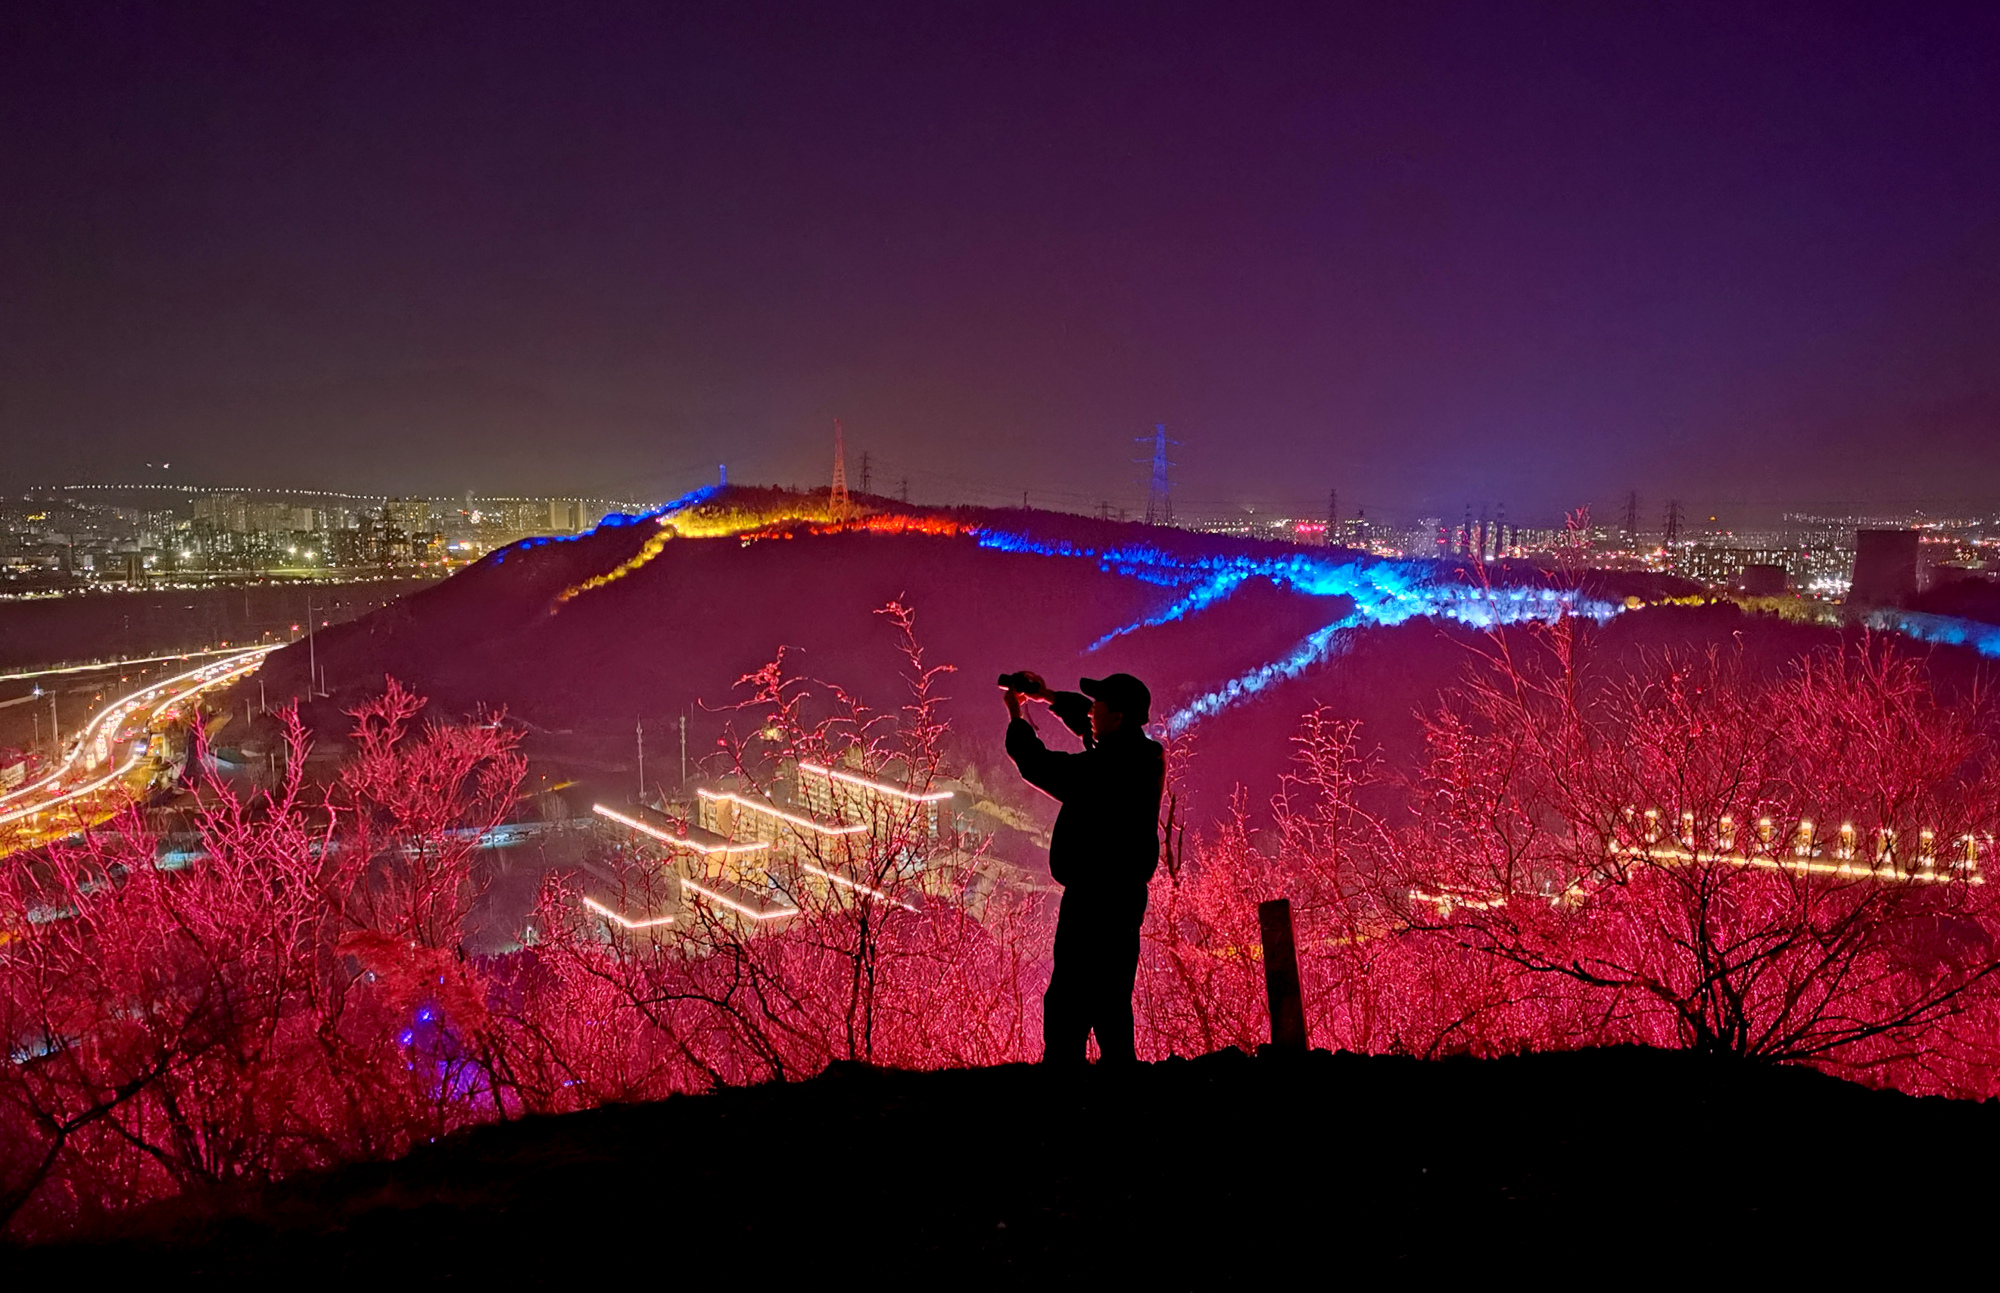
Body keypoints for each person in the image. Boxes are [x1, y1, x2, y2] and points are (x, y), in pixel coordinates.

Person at [1002, 670, 1165, 1065]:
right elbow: (1092, 728)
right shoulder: (1143, 756)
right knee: (1112, 994)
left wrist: (1016, 718)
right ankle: (1118, 1086)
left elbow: (1038, 765)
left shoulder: (1106, 770)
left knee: (1069, 997)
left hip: (1093, 897)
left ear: (1118, 717)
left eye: (1099, 706)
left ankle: (1066, 1084)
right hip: (1124, 896)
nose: (1091, 711)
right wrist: (1048, 696)